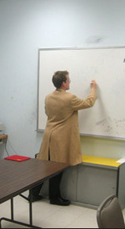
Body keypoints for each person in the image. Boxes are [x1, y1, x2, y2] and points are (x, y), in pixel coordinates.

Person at [31, 70, 98, 206]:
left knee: (44, 166)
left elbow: (47, 112)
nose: (70, 82)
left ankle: (33, 194)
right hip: (60, 139)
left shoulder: (48, 97)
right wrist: (93, 89)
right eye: (68, 80)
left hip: (49, 136)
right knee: (57, 168)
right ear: (63, 83)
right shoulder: (69, 98)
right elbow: (89, 103)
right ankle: (55, 198)